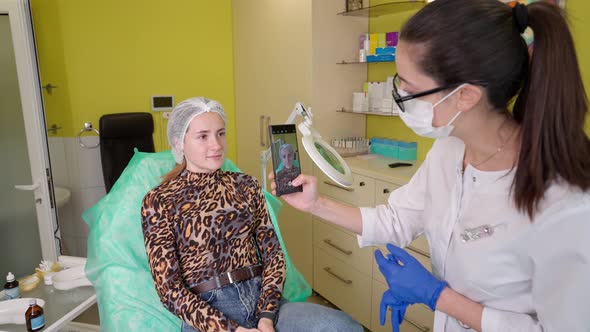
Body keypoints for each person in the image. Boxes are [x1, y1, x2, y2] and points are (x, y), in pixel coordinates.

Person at [270, 1, 590, 331]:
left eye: (410, 88)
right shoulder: (449, 150)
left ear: (465, 96)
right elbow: (395, 218)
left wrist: (437, 296)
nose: (400, 96)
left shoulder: (565, 201)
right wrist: (316, 204)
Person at [141, 97, 363, 332]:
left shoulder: (245, 185)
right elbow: (169, 291)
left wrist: (266, 317)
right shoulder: (159, 201)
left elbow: (274, 256)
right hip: (208, 315)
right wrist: (232, 330)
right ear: (179, 142)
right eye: (203, 136)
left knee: (343, 326)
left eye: (221, 133)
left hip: (263, 301)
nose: (216, 145)